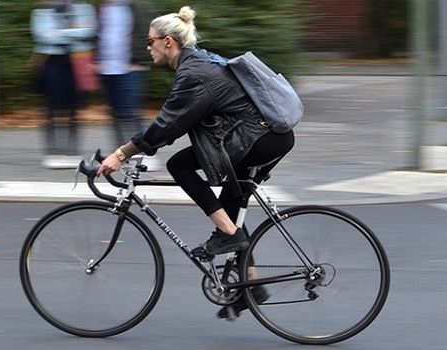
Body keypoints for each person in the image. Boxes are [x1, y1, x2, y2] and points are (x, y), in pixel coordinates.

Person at [96, 6, 295, 319]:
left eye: (150, 41)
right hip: (261, 136)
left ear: (169, 42)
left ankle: (230, 235)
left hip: (257, 139)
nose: (147, 47)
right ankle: (252, 287)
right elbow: (173, 122)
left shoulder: (193, 74)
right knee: (230, 206)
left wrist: (121, 153)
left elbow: (167, 124)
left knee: (180, 166)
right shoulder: (196, 63)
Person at [30, 0, 97, 168]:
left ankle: (72, 151)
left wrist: (58, 33)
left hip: (76, 62)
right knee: (50, 110)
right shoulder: (40, 12)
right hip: (51, 62)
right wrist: (73, 32)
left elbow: (89, 31)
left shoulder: (84, 8)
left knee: (74, 110)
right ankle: (53, 151)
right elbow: (42, 35)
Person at [95, 0, 157, 168]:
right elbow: (99, 34)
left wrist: (137, 59)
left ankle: (145, 155)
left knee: (132, 114)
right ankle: (121, 155)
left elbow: (148, 32)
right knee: (115, 115)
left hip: (130, 67)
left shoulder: (135, 5)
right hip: (107, 68)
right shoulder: (103, 7)